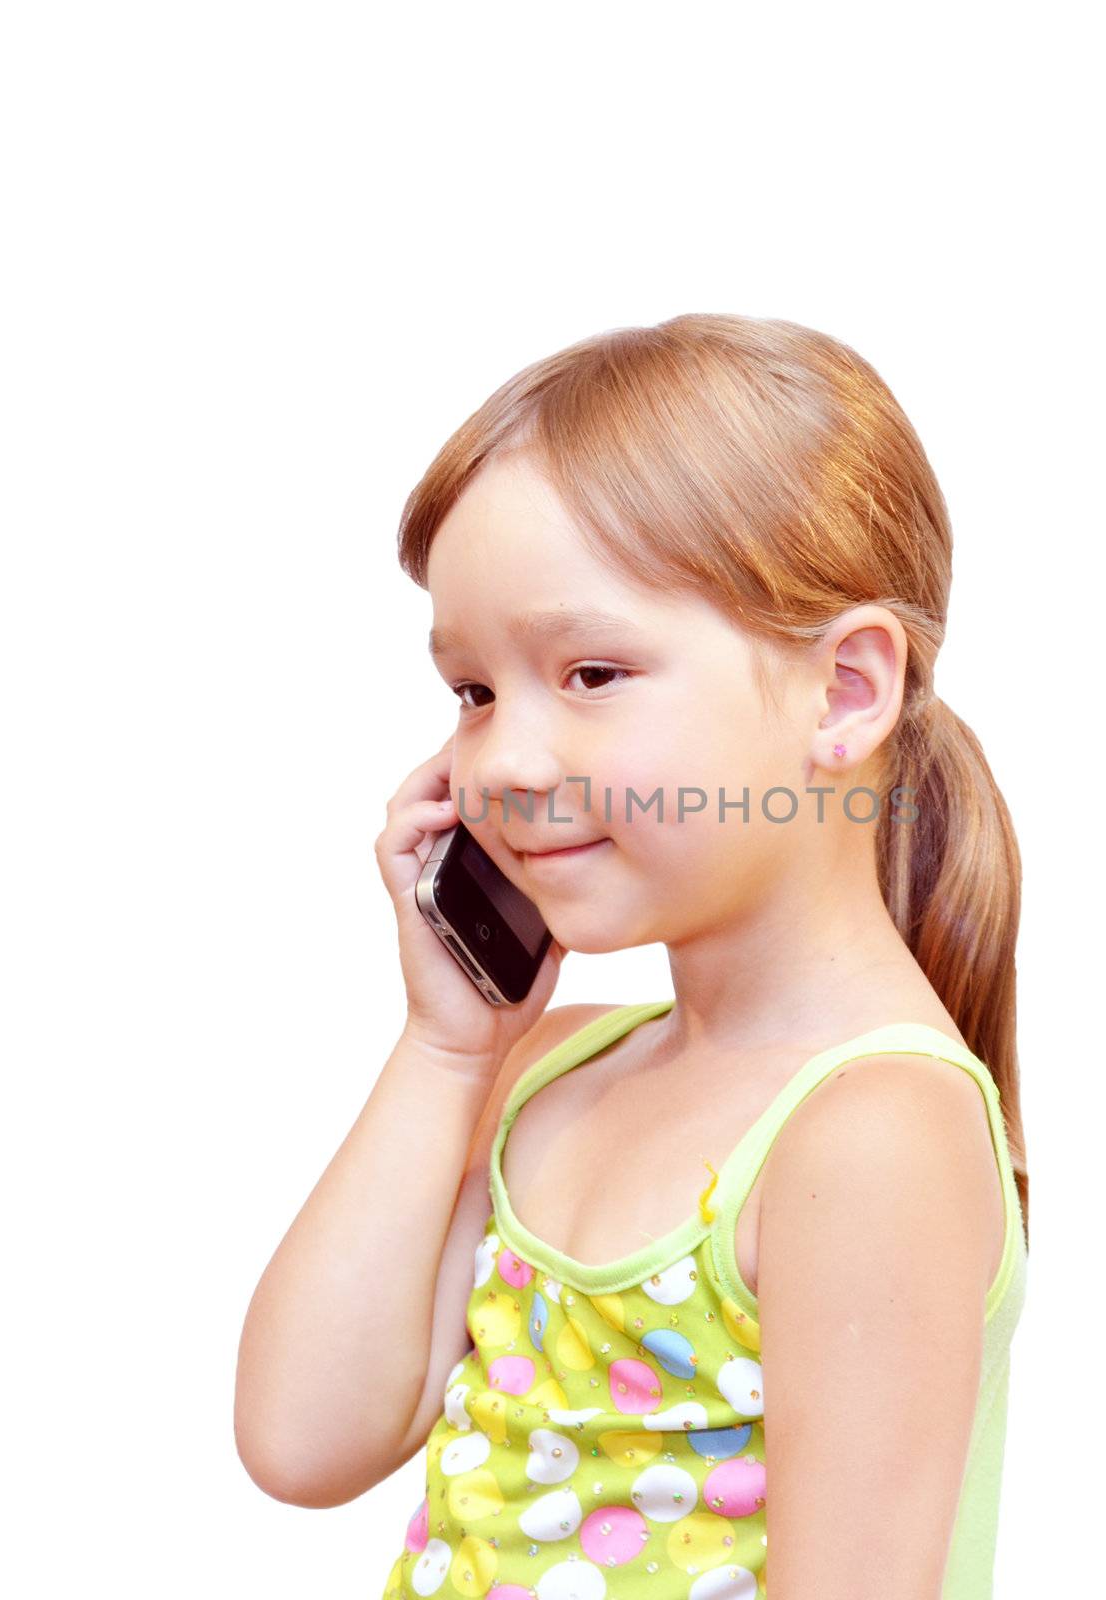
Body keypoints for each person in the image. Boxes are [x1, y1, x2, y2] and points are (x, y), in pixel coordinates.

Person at [235, 313, 1030, 1599]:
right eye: (475, 691)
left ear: (843, 694)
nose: (497, 759)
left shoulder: (868, 1131)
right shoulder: (545, 1070)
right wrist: (447, 1048)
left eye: (592, 671)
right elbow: (300, 1439)